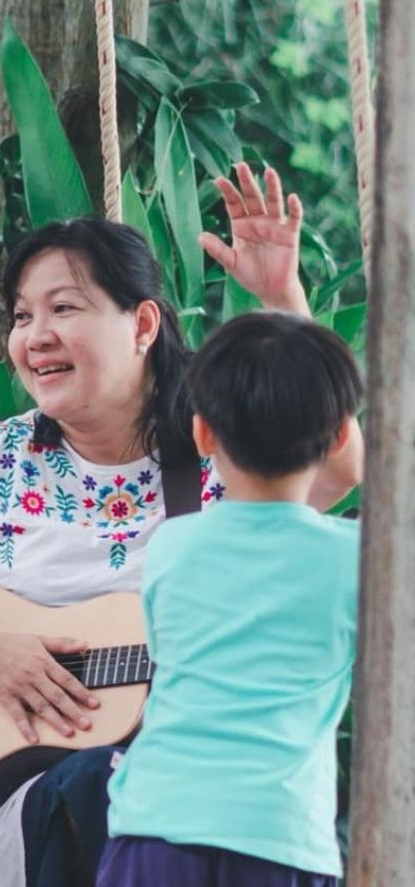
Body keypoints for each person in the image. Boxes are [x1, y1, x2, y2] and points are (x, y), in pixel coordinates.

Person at [0, 165, 363, 887]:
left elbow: (335, 461)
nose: (36, 336)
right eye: (22, 316)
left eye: (63, 308)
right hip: (45, 827)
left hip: (197, 824)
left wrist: (281, 297)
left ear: (142, 325)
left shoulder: (220, 448)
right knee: (94, 781)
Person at [98, 311, 361, 887]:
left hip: (155, 826)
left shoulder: (172, 547)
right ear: (341, 436)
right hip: (277, 835)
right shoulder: (358, 562)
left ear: (203, 433)